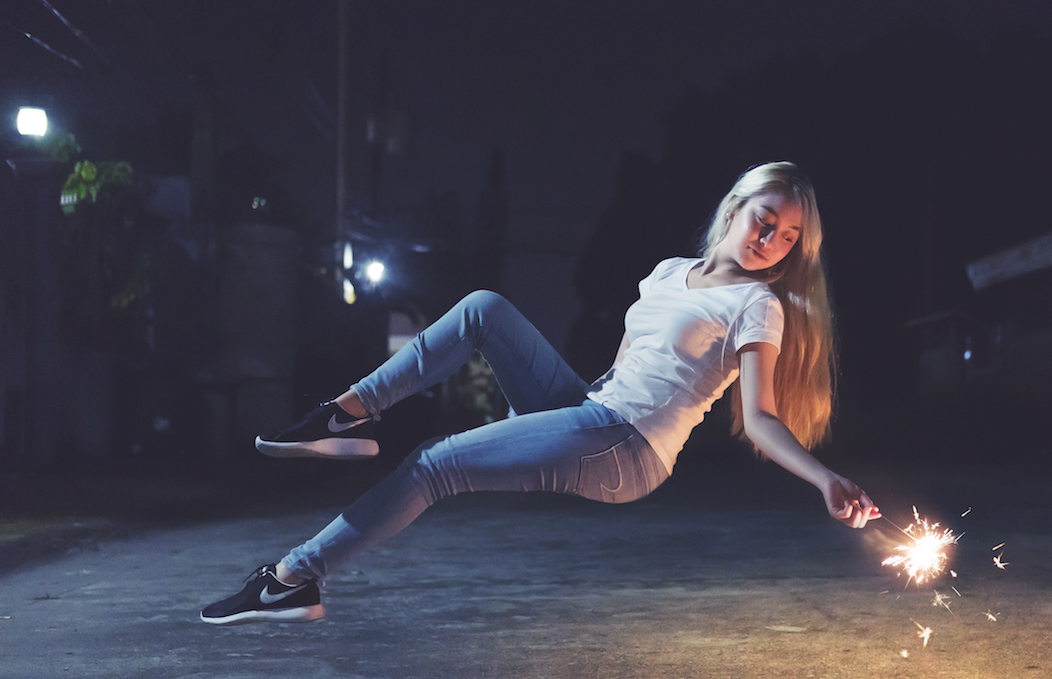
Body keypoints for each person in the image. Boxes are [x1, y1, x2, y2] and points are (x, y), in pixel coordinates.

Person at [201, 162, 880, 625]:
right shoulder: (669, 272)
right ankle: (342, 414)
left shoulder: (757, 307)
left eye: (788, 237)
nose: (771, 240)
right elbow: (627, 366)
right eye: (765, 219)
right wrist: (538, 415)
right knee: (483, 309)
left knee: (435, 465)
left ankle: (291, 580)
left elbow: (759, 418)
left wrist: (825, 479)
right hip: (592, 409)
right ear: (736, 207)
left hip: (628, 446)